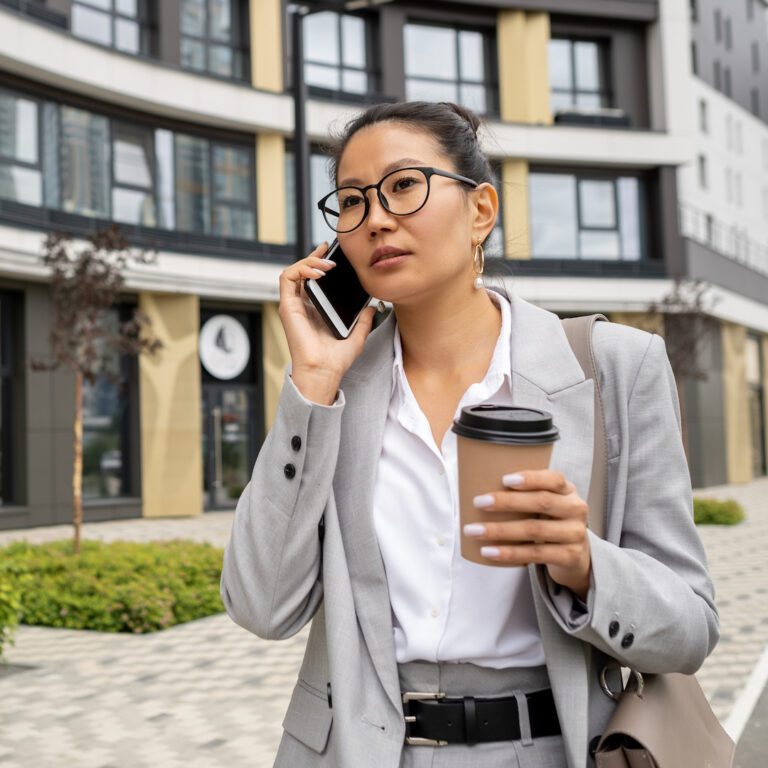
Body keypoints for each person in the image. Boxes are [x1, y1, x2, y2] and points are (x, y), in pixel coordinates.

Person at [220, 101, 719, 768]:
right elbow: (260, 605)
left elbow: (689, 628)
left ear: (481, 209)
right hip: (362, 750)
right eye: (350, 201)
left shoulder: (614, 368)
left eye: (404, 185)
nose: (376, 219)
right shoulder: (334, 393)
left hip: (552, 748)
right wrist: (311, 382)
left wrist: (582, 563)